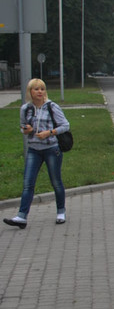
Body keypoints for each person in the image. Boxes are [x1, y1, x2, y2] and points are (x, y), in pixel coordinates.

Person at [3, 78, 70, 229]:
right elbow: (22, 127)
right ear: (30, 92)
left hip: (52, 149)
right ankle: (21, 216)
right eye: (36, 89)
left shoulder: (52, 107)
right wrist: (25, 130)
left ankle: (61, 211)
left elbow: (65, 125)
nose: (40, 92)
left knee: (56, 182)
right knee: (28, 184)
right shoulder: (25, 108)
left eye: (42, 89)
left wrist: (50, 132)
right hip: (34, 150)